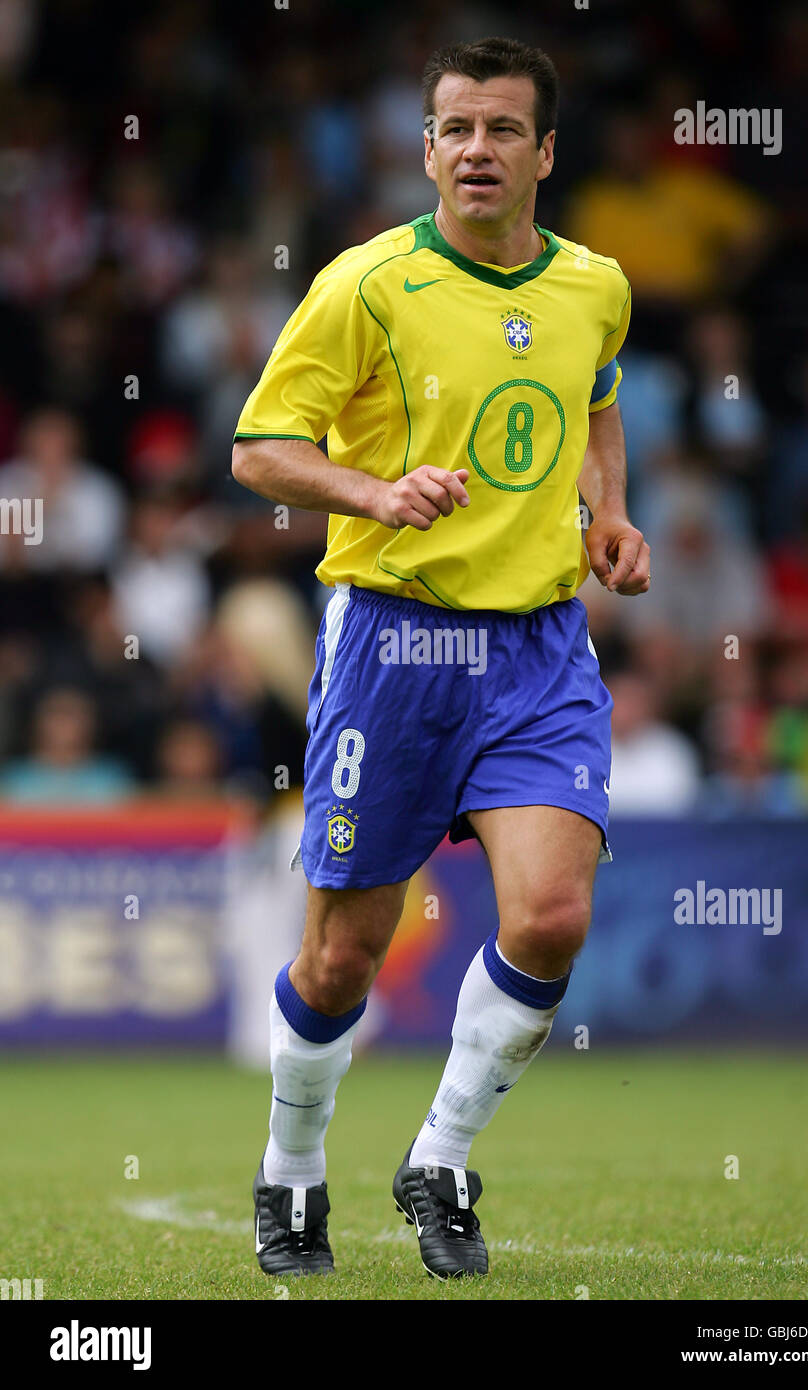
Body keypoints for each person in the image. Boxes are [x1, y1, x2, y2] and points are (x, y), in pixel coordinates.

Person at [231, 36, 650, 1281]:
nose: (477, 148)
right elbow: (259, 447)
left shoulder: (593, 285)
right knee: (342, 952)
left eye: (502, 129)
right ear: (425, 151)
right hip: (390, 642)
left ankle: (442, 1156)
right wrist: (374, 488)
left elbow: (594, 398)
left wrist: (607, 512)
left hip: (535, 645)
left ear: (544, 153)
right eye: (455, 128)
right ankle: (291, 1169)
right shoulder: (366, 285)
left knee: (552, 914)